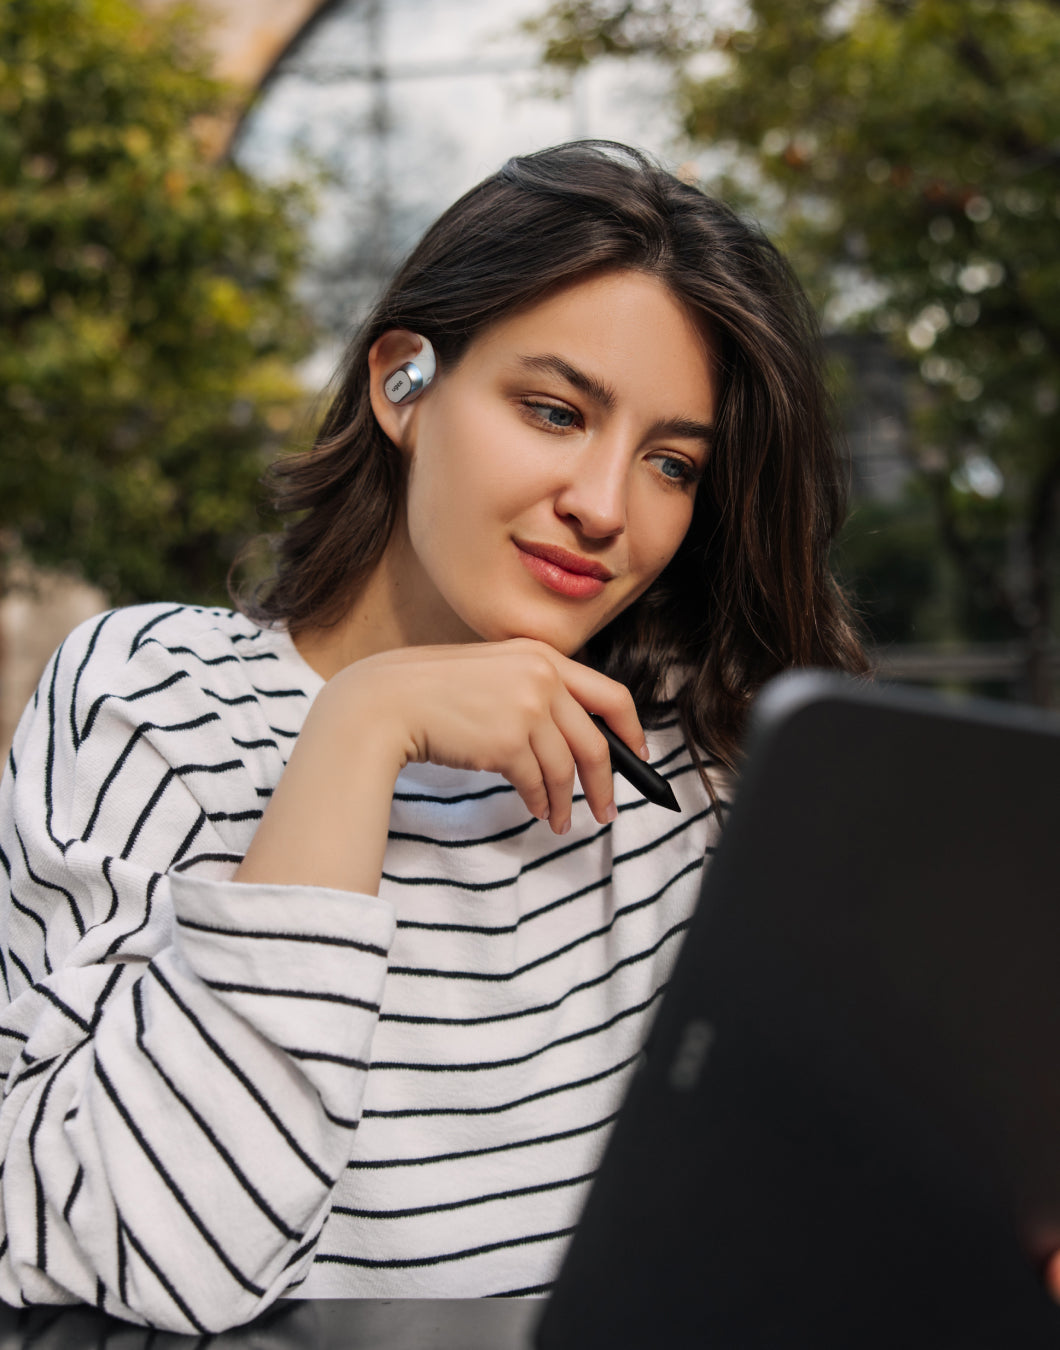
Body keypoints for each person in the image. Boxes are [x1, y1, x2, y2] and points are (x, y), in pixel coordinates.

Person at [0, 140, 868, 1332]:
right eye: (555, 411)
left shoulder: (685, 754)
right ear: (402, 384)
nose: (605, 506)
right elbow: (133, 1255)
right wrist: (363, 728)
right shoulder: (153, 702)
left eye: (670, 463)